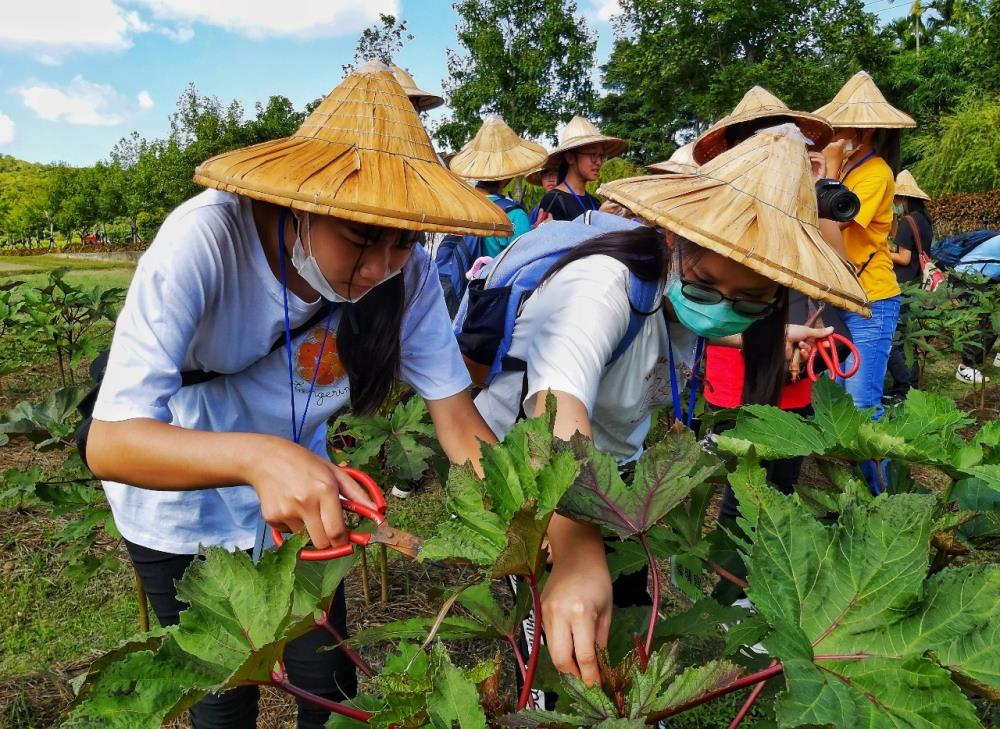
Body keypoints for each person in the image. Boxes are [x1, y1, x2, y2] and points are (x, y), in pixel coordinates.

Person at [82, 63, 508, 729]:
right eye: (362, 240)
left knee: (332, 681)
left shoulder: (409, 274)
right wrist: (258, 458)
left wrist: (539, 526)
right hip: (181, 515)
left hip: (304, 506)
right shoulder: (204, 241)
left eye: (404, 241)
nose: (381, 268)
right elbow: (111, 442)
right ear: (301, 202)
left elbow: (459, 421)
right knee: (224, 699)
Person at [472, 128, 868, 693]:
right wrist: (577, 553)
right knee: (555, 628)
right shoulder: (602, 285)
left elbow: (689, 319)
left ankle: (625, 701)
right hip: (533, 470)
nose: (724, 311)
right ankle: (550, 701)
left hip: (612, 467)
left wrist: (774, 331)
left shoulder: (677, 291)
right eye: (707, 286)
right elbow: (556, 406)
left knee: (628, 603)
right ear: (674, 240)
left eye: (752, 301)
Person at [815, 70, 916, 489]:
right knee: (832, 399)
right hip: (837, 295)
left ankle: (878, 500)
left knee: (861, 404)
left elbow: (833, 228)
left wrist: (829, 175)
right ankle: (847, 494)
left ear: (866, 129)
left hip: (870, 300)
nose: (832, 134)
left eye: (840, 127)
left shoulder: (876, 174)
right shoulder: (845, 169)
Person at [448, 114, 546, 256]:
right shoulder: (514, 216)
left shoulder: (460, 207)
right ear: (507, 176)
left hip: (461, 277)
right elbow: (526, 260)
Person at [885, 170, 933, 399]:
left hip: (903, 286)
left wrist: (881, 251)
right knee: (908, 339)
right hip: (917, 285)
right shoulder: (924, 219)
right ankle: (911, 385)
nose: (895, 203)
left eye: (896, 199)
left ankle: (902, 388)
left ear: (904, 198)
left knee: (893, 340)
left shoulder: (907, 220)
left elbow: (903, 258)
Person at [534, 116, 627, 223]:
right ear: (570, 158)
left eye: (601, 156)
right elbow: (555, 238)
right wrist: (599, 218)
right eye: (592, 154)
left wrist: (622, 216)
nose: (599, 162)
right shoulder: (553, 200)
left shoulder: (594, 202)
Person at [526, 161, 561, 225]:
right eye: (545, 176)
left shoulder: (569, 202)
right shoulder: (536, 210)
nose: (550, 179)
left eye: (554, 175)